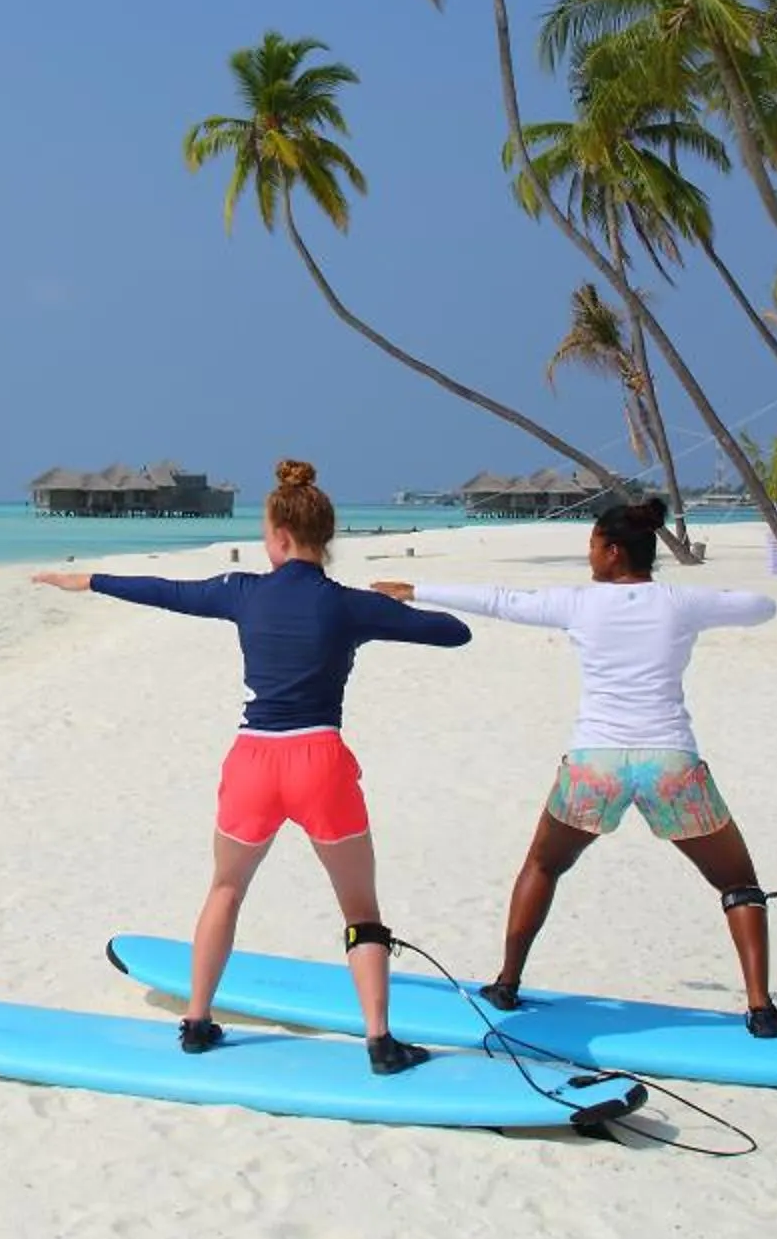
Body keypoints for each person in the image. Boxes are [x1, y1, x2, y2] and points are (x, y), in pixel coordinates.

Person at [33, 459, 473, 1071]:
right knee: (360, 910)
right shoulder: (348, 605)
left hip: (254, 762)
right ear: (324, 537)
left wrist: (89, 582)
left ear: (281, 537)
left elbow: (168, 593)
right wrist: (406, 599)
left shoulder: (242, 593)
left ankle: (196, 1021)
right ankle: (379, 1040)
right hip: (320, 761)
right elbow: (454, 635)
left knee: (225, 888)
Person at [371, 496, 777, 1036]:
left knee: (544, 866)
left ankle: (506, 984)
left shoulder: (580, 603)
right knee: (738, 884)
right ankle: (760, 1009)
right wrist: (707, 602)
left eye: (594, 545)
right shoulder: (680, 602)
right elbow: (762, 607)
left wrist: (419, 591)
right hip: (669, 763)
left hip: (594, 765)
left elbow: (502, 601)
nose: (590, 555)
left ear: (615, 552)